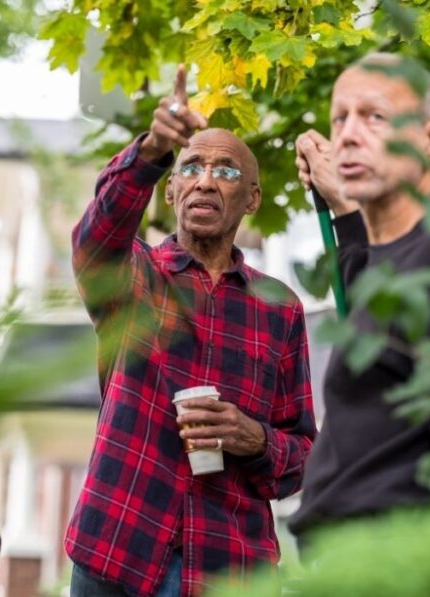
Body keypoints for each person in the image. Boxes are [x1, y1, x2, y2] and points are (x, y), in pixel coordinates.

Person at [65, 66, 317, 596]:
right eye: (191, 167)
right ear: (173, 188)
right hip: (118, 549)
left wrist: (254, 439)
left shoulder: (281, 309)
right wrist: (155, 148)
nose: (205, 180)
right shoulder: (133, 276)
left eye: (226, 172)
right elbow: (98, 232)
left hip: (230, 567)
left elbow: (301, 457)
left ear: (251, 199)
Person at [288, 53, 430, 545]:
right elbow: (363, 282)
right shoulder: (396, 262)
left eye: (375, 116)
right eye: (339, 117)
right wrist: (344, 207)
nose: (347, 134)